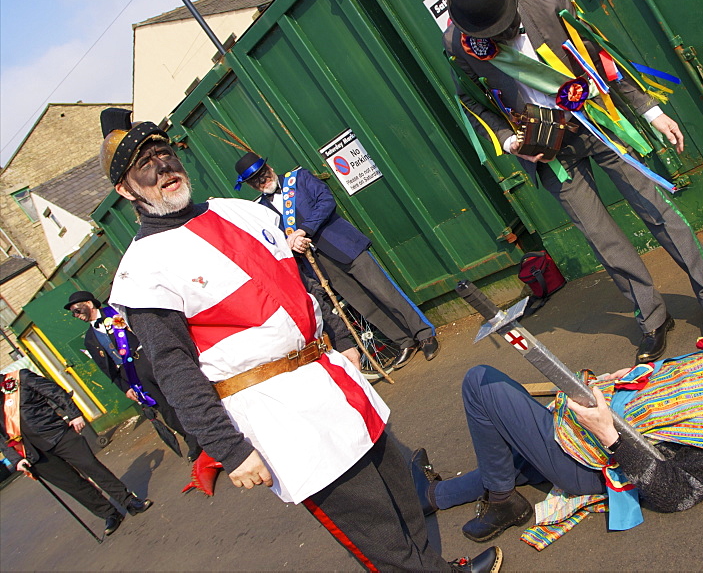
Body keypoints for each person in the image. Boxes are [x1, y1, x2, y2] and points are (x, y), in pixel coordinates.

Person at [99, 107, 499, 572]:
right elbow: (173, 370)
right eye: (145, 165)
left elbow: (300, 280)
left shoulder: (242, 212)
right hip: (275, 411)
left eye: (165, 155)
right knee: (372, 526)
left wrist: (335, 333)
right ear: (125, 190)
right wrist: (230, 450)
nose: (163, 168)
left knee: (398, 490)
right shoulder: (143, 270)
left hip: (328, 376)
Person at [444, 0, 703, 364]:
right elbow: (471, 101)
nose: (503, 32)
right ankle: (651, 316)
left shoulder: (550, 0)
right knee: (602, 238)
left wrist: (650, 111)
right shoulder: (456, 44)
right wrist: (510, 140)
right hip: (547, 151)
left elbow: (603, 57)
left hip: (598, 121)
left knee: (655, 209)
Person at [412, 323, 703, 546]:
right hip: (589, 419)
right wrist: (631, 376)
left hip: (592, 462)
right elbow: (669, 380)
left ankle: (502, 501)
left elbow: (676, 493)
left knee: (481, 382)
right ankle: (436, 496)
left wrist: (610, 435)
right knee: (510, 444)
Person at [233, 152, 438, 370]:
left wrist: (304, 230)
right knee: (364, 305)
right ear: (251, 185)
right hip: (319, 264)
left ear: (270, 168)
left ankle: (424, 335)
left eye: (263, 174)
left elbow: (325, 201)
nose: (262, 181)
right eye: (255, 180)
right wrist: (291, 245)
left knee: (385, 292)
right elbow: (275, 242)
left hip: (344, 246)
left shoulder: (299, 178)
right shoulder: (261, 210)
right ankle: (404, 341)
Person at [1, 368, 153, 536]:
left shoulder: (20, 378)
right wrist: (16, 460)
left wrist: (74, 414)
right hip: (32, 455)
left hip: (58, 435)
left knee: (92, 467)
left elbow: (55, 392)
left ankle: (128, 501)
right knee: (73, 485)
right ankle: (108, 513)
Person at [64, 289, 201, 461]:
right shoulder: (90, 339)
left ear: (89, 304)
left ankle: (204, 428)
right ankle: (192, 441)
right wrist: (125, 388)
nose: (76, 315)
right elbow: (107, 369)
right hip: (131, 373)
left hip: (147, 358)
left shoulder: (115, 313)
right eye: (73, 314)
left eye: (77, 310)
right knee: (163, 407)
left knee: (180, 392)